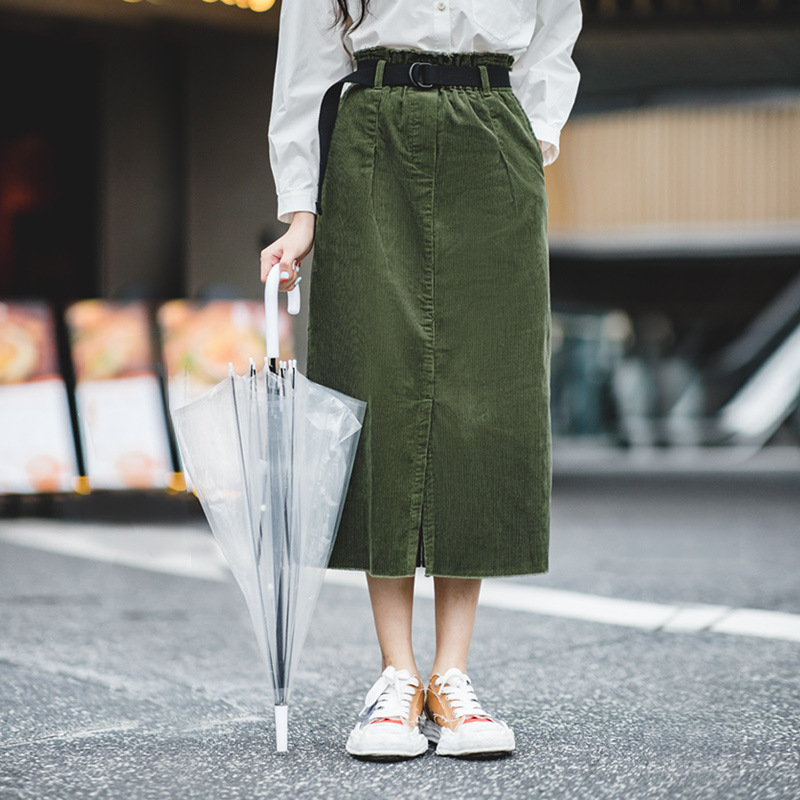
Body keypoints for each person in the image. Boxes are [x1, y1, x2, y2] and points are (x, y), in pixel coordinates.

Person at [262, 0, 581, 760]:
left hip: (492, 136)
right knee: (377, 386)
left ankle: (452, 674)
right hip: (373, 133)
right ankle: (396, 674)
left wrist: (529, 139)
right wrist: (299, 208)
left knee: (487, 396)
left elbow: (554, 38)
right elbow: (304, 72)